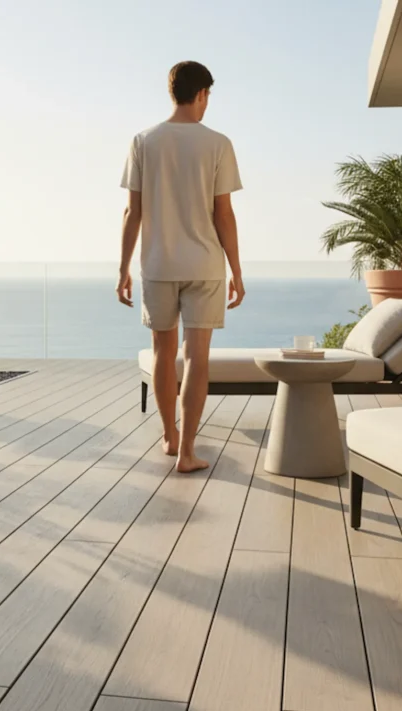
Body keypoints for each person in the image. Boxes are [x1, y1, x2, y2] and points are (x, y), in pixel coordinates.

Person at [117, 60, 244, 473]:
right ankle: (188, 452)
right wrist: (237, 271)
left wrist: (123, 269)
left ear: (173, 93)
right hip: (205, 266)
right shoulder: (218, 144)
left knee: (162, 353)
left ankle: (169, 438)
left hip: (156, 264)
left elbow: (132, 212)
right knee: (197, 358)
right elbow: (223, 214)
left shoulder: (143, 141)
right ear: (202, 94)